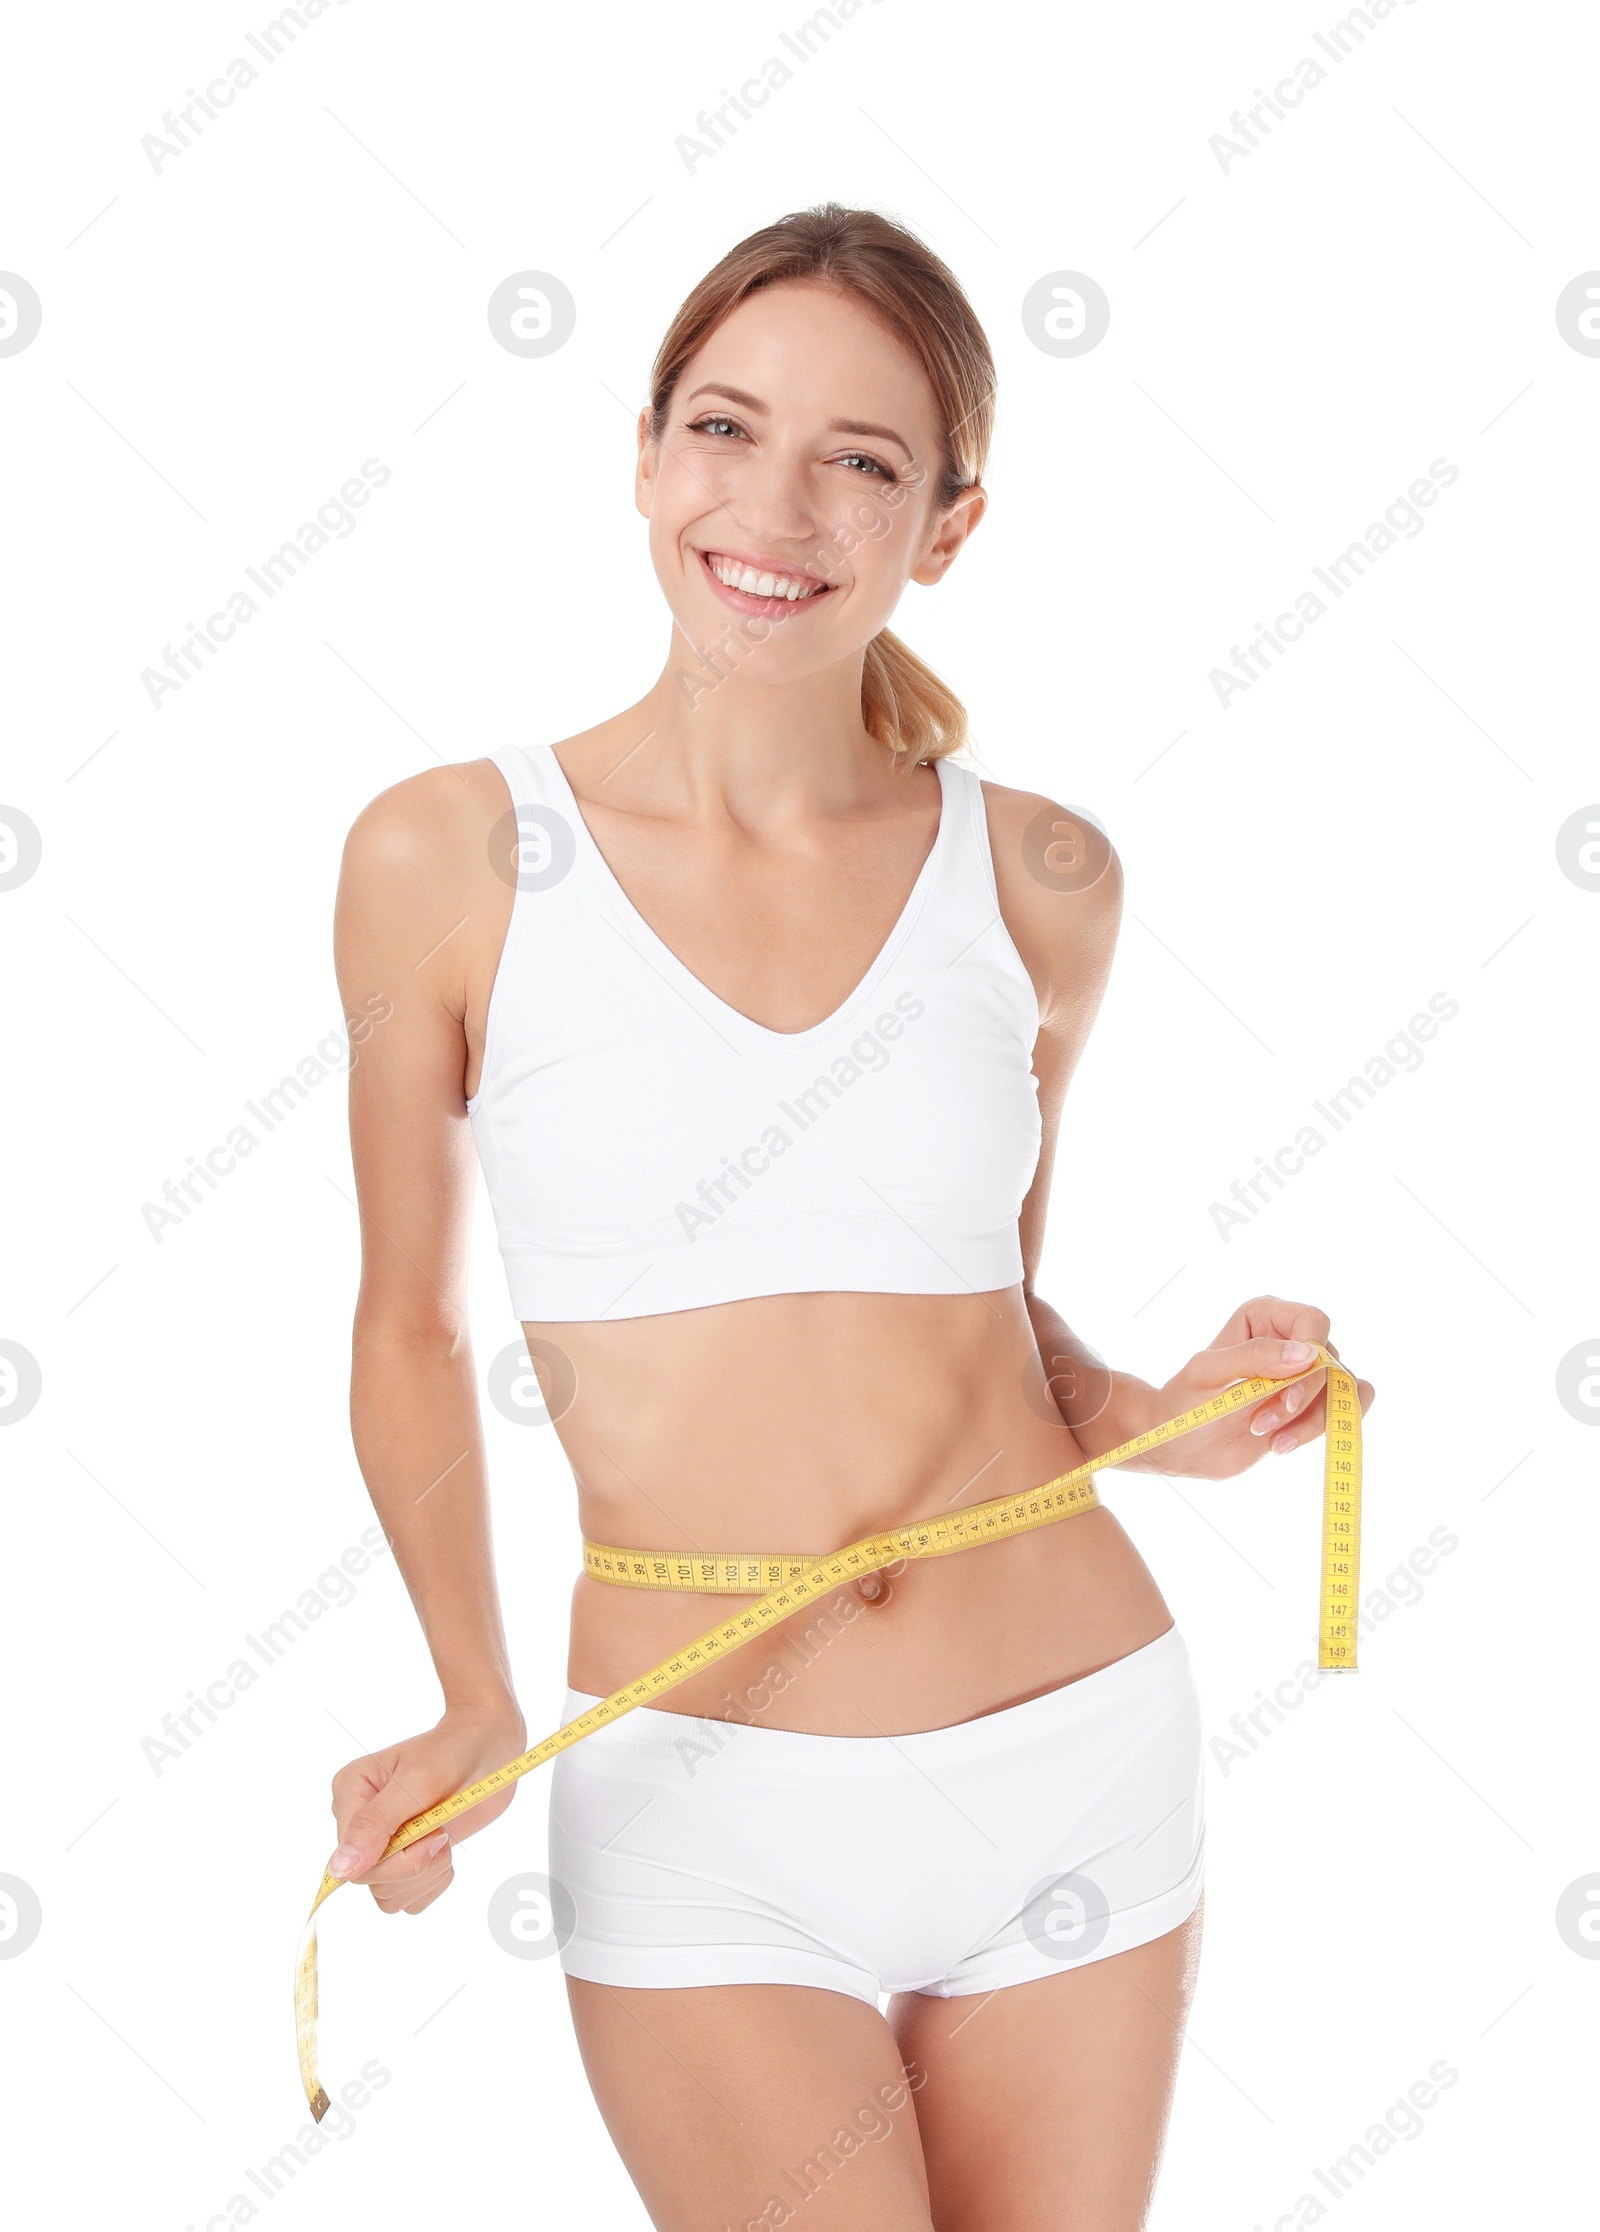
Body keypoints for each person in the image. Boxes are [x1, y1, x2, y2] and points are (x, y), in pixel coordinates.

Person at [323, 202, 1373, 2231]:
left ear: (948, 526)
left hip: (1071, 1736)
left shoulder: (1045, 877)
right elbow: (402, 1331)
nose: (774, 504)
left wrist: (1167, 1408)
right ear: (643, 457)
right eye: (724, 429)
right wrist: (469, 1688)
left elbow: (991, 1318)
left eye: (860, 459)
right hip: (700, 1804)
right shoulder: (450, 854)